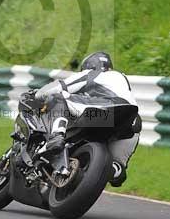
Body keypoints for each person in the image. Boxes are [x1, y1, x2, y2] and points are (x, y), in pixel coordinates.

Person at [33, 52, 140, 187]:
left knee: (58, 98)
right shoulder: (121, 80)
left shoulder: (93, 73)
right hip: (130, 122)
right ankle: (115, 170)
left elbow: (59, 87)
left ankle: (56, 137)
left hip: (104, 111)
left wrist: (38, 95)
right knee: (117, 166)